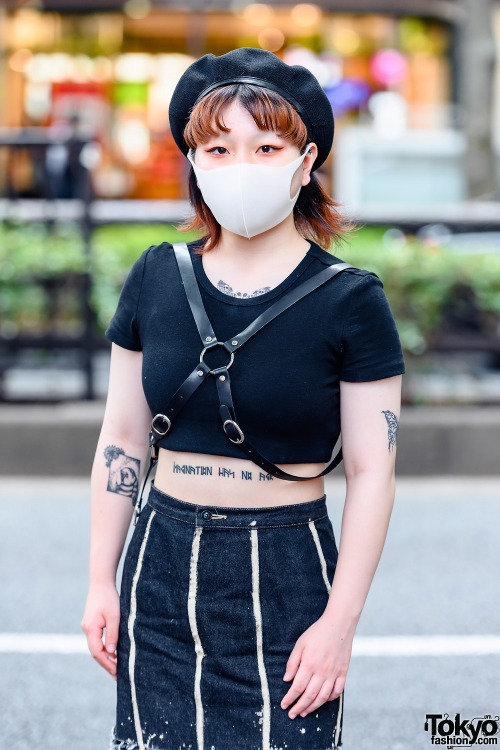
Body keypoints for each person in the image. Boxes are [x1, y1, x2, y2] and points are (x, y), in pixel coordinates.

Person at [81, 47, 405, 750]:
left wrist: (339, 625)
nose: (241, 164)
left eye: (265, 145)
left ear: (306, 157)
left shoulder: (352, 299)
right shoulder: (156, 276)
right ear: (193, 160)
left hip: (287, 568)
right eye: (219, 147)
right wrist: (100, 582)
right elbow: (122, 438)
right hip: (159, 563)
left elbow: (373, 473)